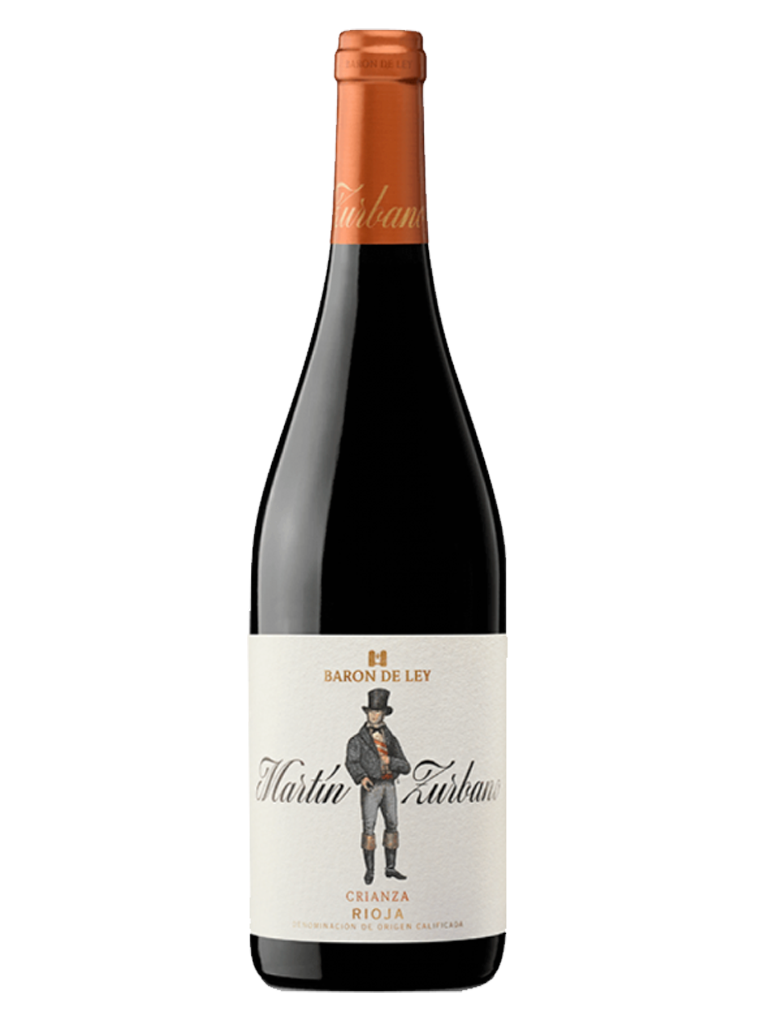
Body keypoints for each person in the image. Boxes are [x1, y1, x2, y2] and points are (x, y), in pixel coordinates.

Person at [345, 688, 411, 884]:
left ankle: (390, 868)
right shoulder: (356, 740)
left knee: (392, 825)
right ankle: (370, 870)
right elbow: (351, 762)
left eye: (378, 712)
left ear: (384, 714)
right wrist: (362, 777)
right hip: (371, 787)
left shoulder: (391, 740)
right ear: (367, 713)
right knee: (369, 827)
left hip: (389, 786)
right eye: (371, 712)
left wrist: (390, 761)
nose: (374, 716)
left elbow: (406, 766)